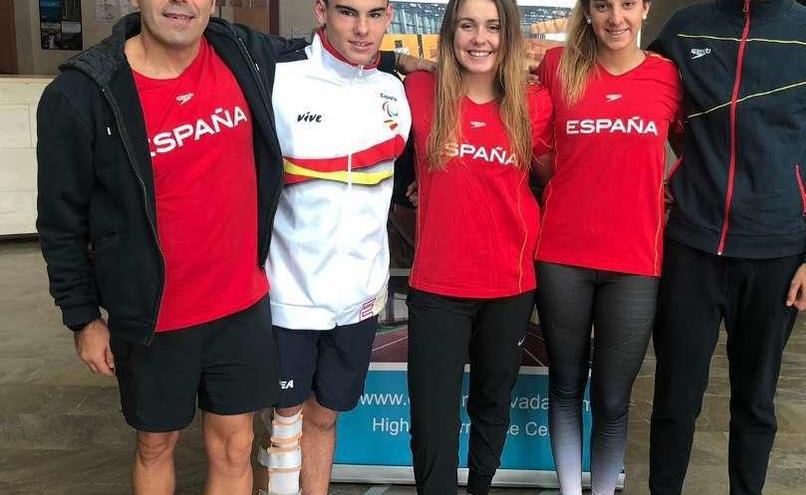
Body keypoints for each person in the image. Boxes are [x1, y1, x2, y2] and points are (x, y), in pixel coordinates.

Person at [35, 1, 419, 493]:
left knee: (236, 444)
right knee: (155, 445)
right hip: (154, 312)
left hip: (241, 304)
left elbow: (340, 46)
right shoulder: (84, 92)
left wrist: (405, 61)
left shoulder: (241, 54)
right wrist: (82, 316)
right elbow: (60, 220)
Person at [647, 1, 806, 494]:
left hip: (777, 254)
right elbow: (639, 92)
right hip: (691, 247)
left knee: (755, 401)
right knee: (675, 400)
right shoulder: (686, 28)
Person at [257, 0, 412, 494]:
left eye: (374, 14)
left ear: (390, 16)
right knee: (284, 421)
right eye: (348, 12)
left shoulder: (394, 91)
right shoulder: (279, 80)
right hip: (289, 292)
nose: (362, 29)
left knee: (324, 416)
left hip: (361, 296)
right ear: (322, 11)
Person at [402, 0, 553, 492]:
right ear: (450, 33)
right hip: (438, 284)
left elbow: (553, 178)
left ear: (508, 35)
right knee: (432, 414)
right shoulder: (420, 91)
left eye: (492, 27)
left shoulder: (534, 104)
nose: (479, 38)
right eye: (467, 25)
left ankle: (481, 487)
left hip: (509, 283)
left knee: (492, 400)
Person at [532, 0, 681, 493]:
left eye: (626, 4)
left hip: (636, 262)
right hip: (562, 256)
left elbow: (705, 145)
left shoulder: (668, 77)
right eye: (602, 6)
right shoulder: (558, 68)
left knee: (614, 398)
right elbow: (530, 131)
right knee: (566, 385)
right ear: (588, 13)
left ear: (644, 9)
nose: (615, 17)